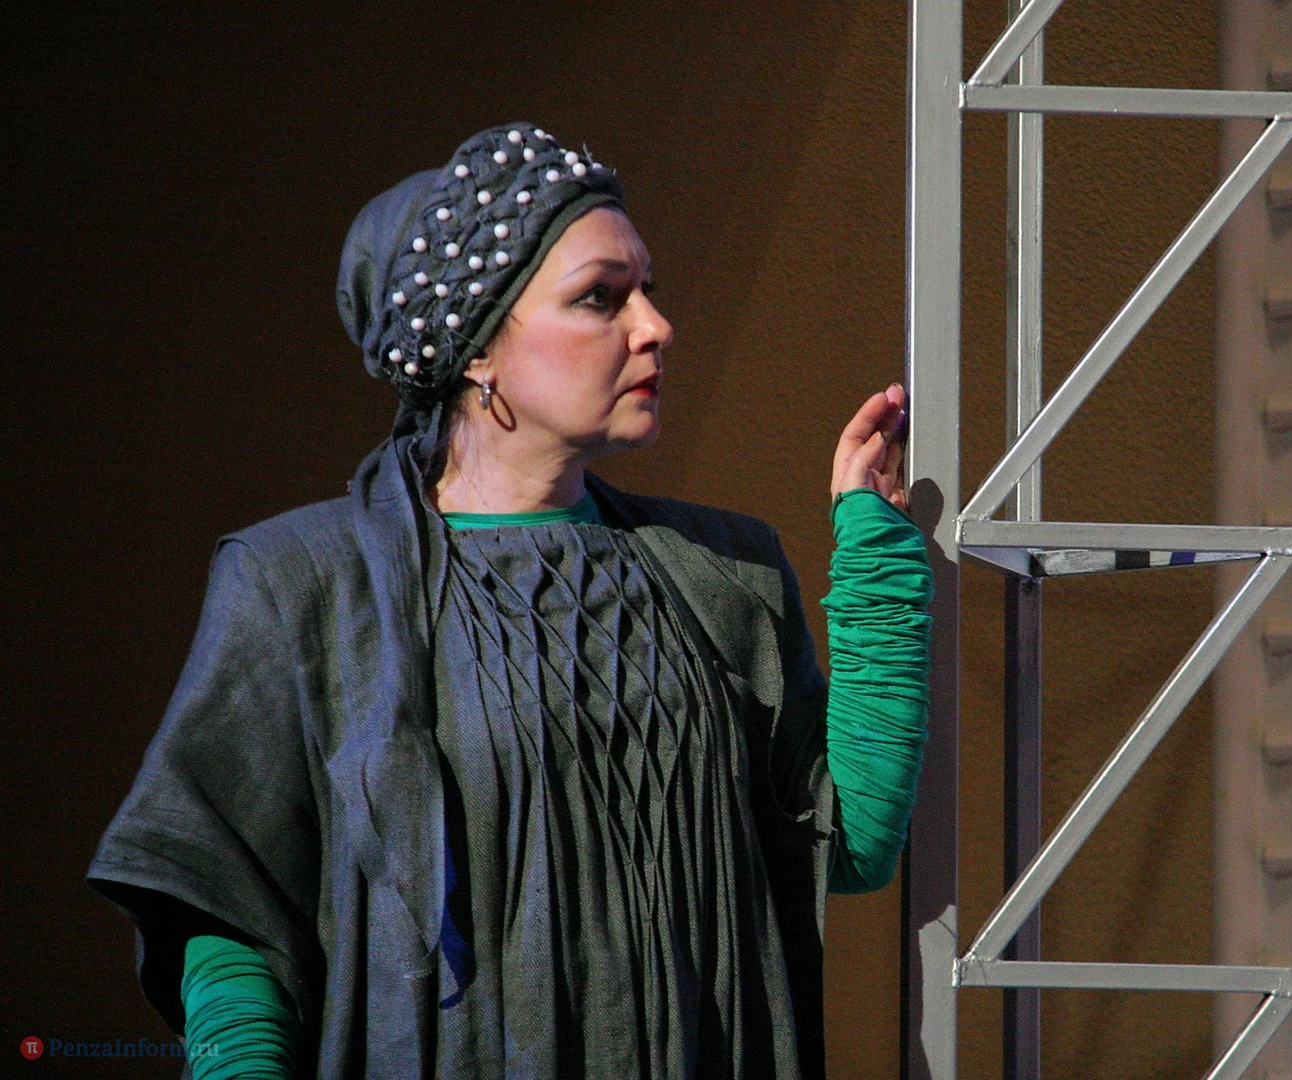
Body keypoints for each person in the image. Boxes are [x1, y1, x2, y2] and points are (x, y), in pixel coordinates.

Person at [86, 123, 932, 1080]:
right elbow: (230, 915)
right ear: (477, 348)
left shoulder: (723, 571)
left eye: (646, 289)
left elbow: (852, 841)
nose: (654, 326)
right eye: (600, 297)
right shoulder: (304, 582)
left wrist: (875, 552)